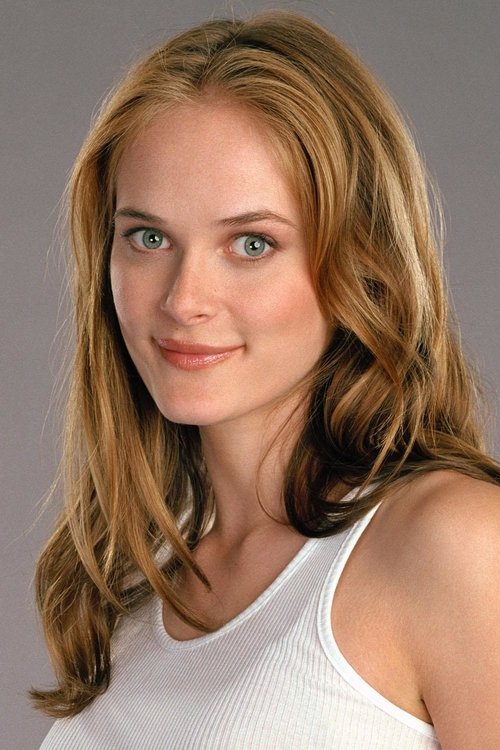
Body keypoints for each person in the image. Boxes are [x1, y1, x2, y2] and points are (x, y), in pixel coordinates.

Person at [33, 10, 499, 749]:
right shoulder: (136, 581)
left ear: (363, 262)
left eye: (251, 244)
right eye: (148, 238)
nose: (184, 300)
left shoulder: (456, 544)